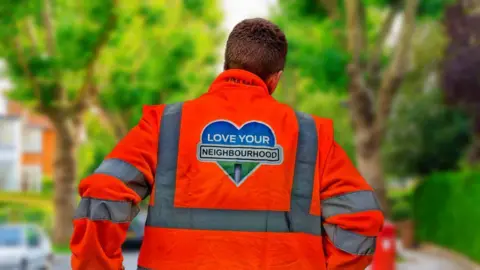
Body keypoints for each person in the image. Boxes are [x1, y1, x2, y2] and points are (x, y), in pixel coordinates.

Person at [70, 18, 384, 270]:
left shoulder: (165, 125)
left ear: (226, 66)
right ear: (275, 79)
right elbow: (360, 219)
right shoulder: (311, 135)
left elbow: (103, 192)